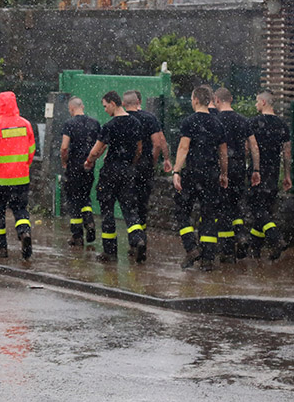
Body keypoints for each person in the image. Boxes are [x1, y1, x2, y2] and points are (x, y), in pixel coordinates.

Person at [172, 85, 228, 271]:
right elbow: (223, 152)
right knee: (209, 214)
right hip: (211, 174)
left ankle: (191, 248)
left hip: (192, 172)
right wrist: (224, 174)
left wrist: (176, 171)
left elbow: (183, 148)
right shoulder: (217, 123)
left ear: (196, 99)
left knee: (182, 211)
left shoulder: (189, 122)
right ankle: (208, 259)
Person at [84, 91, 145, 263]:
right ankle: (138, 240)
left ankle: (109, 252)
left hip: (110, 172)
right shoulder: (135, 123)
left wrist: (89, 161)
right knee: (130, 210)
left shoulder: (109, 126)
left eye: (105, 106)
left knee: (107, 211)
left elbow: (96, 150)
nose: (104, 110)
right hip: (128, 172)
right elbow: (139, 149)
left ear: (112, 103)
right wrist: (130, 164)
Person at [0, 91, 36, 260]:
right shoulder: (25, 124)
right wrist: (23, 166)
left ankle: (0, 248)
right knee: (20, 210)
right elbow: (31, 150)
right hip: (21, 178)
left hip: (1, 180)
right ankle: (24, 232)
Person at [212, 87, 261, 262]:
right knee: (235, 203)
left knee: (223, 206)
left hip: (223, 167)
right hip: (240, 167)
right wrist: (255, 170)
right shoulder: (243, 120)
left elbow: (217, 148)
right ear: (231, 99)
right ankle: (241, 235)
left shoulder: (216, 120)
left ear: (217, 100)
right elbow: (254, 146)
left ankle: (227, 250)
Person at [245, 90, 291, 261]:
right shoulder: (282, 125)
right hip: (273, 172)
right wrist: (287, 176)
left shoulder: (253, 123)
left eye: (257, 101)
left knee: (256, 207)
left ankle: (276, 238)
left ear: (264, 102)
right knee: (264, 209)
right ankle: (254, 249)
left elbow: (248, 148)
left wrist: (253, 168)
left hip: (257, 172)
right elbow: (287, 153)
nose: (256, 104)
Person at [122, 90, 172, 236]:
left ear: (123, 104)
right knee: (143, 202)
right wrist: (157, 160)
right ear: (139, 101)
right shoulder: (150, 118)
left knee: (129, 203)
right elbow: (158, 142)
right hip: (145, 165)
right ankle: (142, 235)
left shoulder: (121, 119)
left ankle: (135, 238)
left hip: (127, 165)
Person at [60, 97, 100, 246]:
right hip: (88, 166)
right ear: (82, 106)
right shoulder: (94, 123)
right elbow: (101, 145)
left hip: (74, 166)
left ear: (71, 109)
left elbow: (64, 147)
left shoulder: (69, 124)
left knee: (73, 200)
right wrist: (92, 160)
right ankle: (89, 221)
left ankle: (77, 235)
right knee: (85, 196)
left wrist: (64, 162)